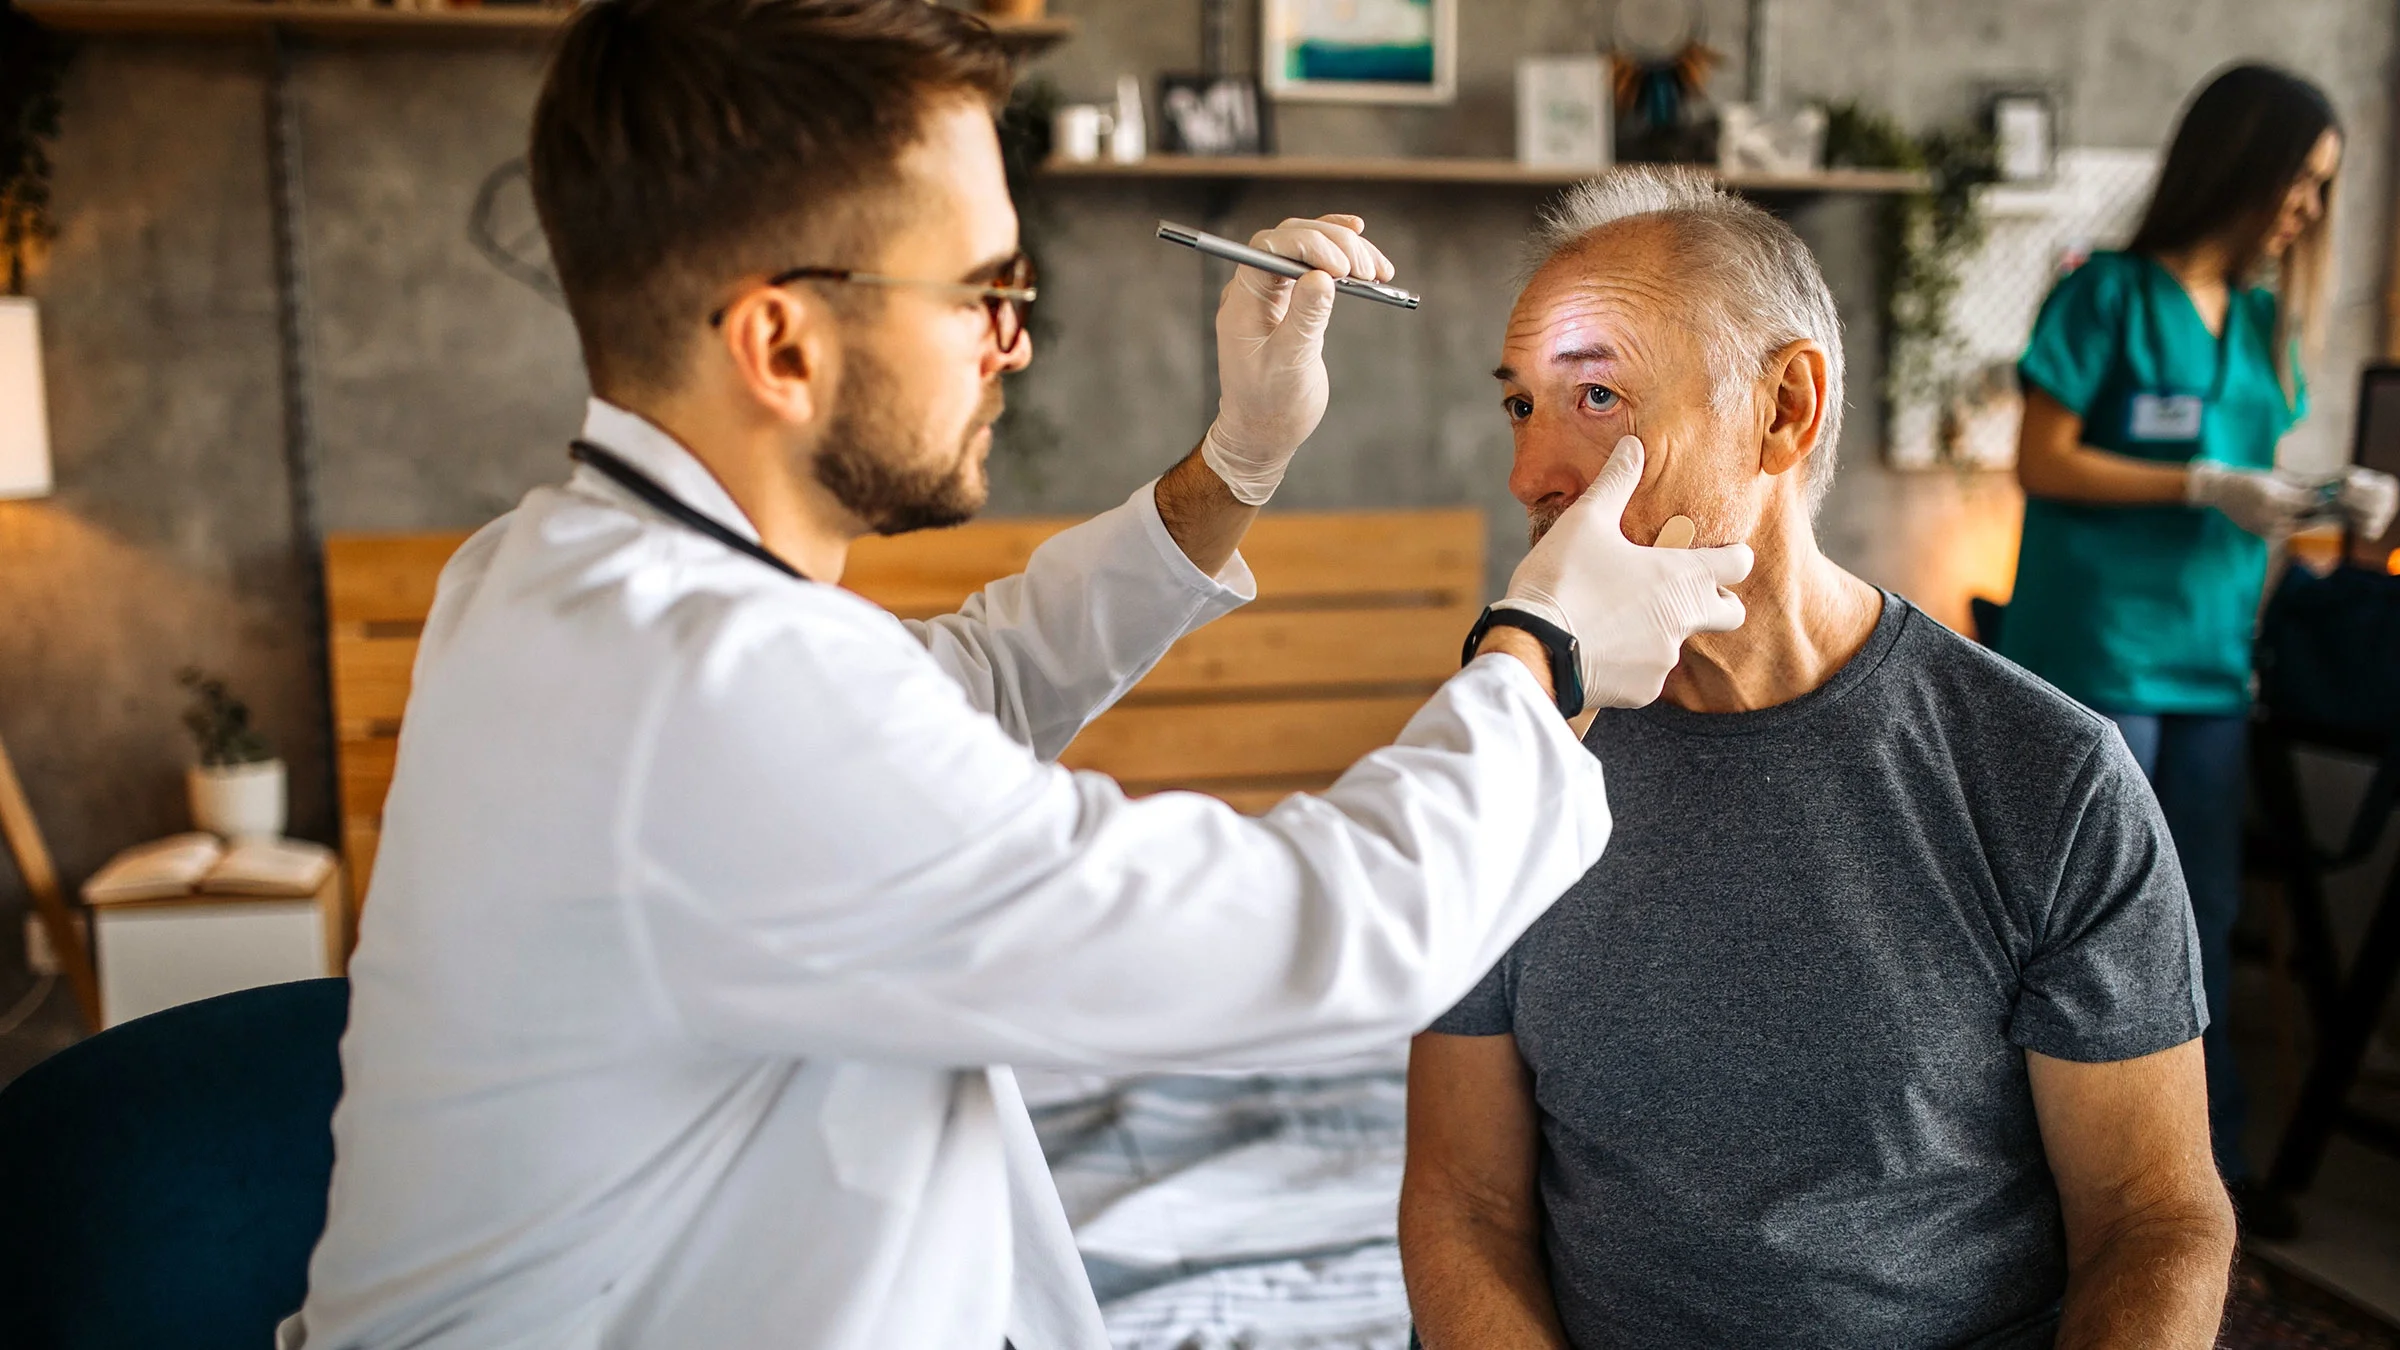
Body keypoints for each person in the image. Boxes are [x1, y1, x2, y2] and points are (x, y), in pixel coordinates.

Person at [280, 4, 1754, 1348]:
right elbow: (1312, 937)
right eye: (981, 291)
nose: (1014, 341)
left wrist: (1235, 460)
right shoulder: (704, 684)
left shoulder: (550, 577)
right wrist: (1544, 646)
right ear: (781, 343)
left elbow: (955, 689)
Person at [1400, 167, 2235, 1350]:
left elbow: (2154, 1220)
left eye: (1593, 394)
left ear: (1784, 408)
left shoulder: (2047, 778)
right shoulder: (1498, 755)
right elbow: (1462, 1205)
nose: (1531, 474)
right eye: (1522, 406)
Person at [2000, 63, 2399, 1230]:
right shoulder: (2107, 296)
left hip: (2215, 664)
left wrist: (2337, 505)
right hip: (2102, 658)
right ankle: (2053, 1179)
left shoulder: (2269, 323)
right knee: (2084, 925)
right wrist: (2200, 480)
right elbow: (2041, 460)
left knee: (2197, 916)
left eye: (2325, 192)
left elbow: (2254, 498)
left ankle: (2195, 1178)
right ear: (2240, 162)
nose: (2307, 212)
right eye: (2299, 182)